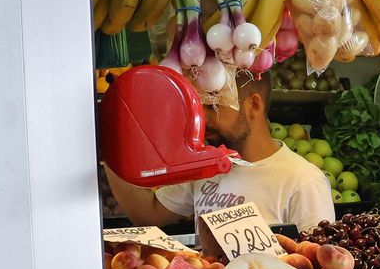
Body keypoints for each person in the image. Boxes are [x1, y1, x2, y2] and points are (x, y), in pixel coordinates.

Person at [108, 71, 335, 233]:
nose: (201, 118)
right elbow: (148, 214)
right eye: (197, 105)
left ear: (253, 105)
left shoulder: (304, 182)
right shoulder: (202, 166)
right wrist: (112, 143)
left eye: (212, 105)